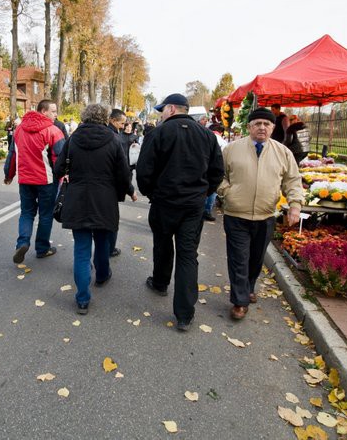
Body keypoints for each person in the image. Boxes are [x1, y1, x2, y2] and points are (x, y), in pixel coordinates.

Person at [136, 93, 224, 332]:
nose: (161, 114)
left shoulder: (158, 133)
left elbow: (144, 171)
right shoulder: (207, 135)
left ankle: (161, 282)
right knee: (187, 254)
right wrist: (204, 193)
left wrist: (152, 193)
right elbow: (217, 171)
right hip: (192, 206)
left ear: (172, 109)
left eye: (162, 110)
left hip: (164, 202)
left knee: (163, 245)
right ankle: (184, 314)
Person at [218, 108, 303, 320]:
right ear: (249, 127)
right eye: (257, 124)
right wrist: (227, 192)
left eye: (266, 124)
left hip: (265, 216)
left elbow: (292, 181)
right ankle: (240, 301)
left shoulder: (283, 152)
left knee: (256, 259)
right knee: (239, 258)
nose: (262, 128)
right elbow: (218, 175)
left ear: (273, 128)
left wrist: (295, 205)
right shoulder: (231, 149)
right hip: (236, 214)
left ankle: (248, 287)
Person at [54, 104, 134, 314]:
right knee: (102, 241)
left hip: (77, 199)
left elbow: (58, 168)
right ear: (105, 118)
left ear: (84, 117)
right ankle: (102, 275)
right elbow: (123, 173)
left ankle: (82, 299)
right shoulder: (113, 140)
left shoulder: (73, 139)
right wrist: (128, 191)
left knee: (81, 250)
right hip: (104, 200)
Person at [4, 99, 65, 263]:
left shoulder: (19, 130)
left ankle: (22, 243)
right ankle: (42, 248)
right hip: (46, 181)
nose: (56, 114)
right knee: (45, 215)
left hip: (25, 180)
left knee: (26, 213)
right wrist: (63, 177)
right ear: (43, 111)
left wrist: (9, 174)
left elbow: (12, 154)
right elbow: (60, 159)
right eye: (53, 111)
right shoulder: (53, 131)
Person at [107, 109, 137, 257]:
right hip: (109, 187)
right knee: (111, 221)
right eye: (122, 123)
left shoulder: (78, 136)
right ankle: (109, 249)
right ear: (112, 120)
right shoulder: (114, 138)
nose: (124, 125)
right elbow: (122, 170)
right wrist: (130, 190)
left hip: (85, 188)